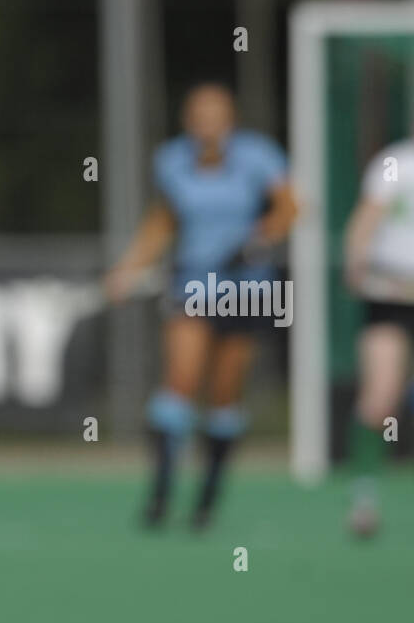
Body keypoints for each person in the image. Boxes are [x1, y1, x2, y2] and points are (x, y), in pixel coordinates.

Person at [105, 83, 297, 530]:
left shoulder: (258, 156)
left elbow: (289, 208)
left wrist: (256, 240)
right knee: (180, 382)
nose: (208, 124)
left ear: (231, 118)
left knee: (225, 394)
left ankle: (209, 495)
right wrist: (128, 268)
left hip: (246, 288)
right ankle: (161, 488)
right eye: (199, 115)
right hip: (192, 284)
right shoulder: (171, 161)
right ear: (188, 121)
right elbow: (163, 221)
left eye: (217, 114)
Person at [342, 95, 414, 539]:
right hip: (392, 295)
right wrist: (356, 261)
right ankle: (364, 501)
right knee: (382, 398)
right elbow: (367, 218)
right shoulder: (395, 164)